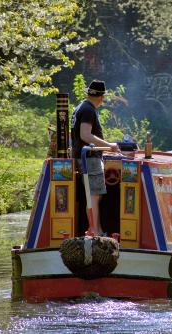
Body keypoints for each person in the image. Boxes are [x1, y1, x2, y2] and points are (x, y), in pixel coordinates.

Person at [71, 80, 119, 236]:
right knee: (94, 196)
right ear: (101, 97)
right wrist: (109, 145)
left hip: (84, 157)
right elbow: (85, 135)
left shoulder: (79, 107)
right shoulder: (89, 110)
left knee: (94, 196)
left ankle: (97, 230)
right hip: (90, 159)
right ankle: (95, 231)